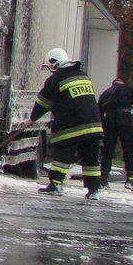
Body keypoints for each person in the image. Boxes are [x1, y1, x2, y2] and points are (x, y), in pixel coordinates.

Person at [22, 48, 104, 200]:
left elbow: (43, 102)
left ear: (54, 63)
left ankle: (55, 185)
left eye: (49, 67)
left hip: (72, 125)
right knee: (91, 157)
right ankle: (94, 190)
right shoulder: (83, 75)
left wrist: (32, 118)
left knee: (63, 153)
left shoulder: (55, 79)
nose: (50, 70)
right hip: (93, 124)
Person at [98, 77, 133, 193]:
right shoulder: (129, 89)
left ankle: (103, 180)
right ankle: (130, 180)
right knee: (130, 149)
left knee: (107, 150)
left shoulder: (106, 93)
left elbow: (99, 112)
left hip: (109, 120)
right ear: (122, 83)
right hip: (125, 119)